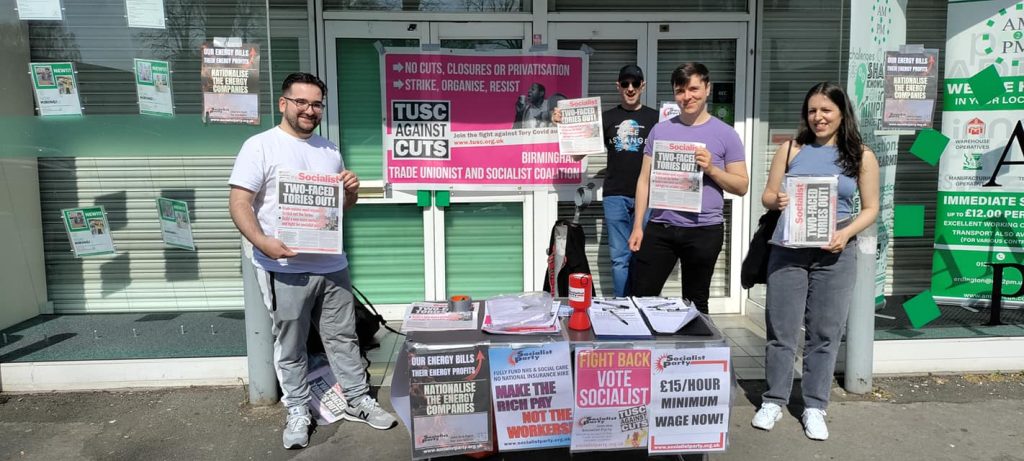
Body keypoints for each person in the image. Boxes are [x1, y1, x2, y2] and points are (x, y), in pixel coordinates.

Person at [228, 72, 397, 450]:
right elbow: (239, 204)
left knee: (343, 336)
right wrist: (262, 242)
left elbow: (340, 209)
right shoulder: (260, 147)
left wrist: (349, 192)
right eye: (301, 102)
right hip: (283, 266)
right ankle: (299, 410)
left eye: (316, 103)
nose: (309, 110)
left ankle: (357, 399)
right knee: (290, 342)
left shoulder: (328, 151)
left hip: (331, 264)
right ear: (283, 103)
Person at [750, 82, 879, 441]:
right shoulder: (791, 149)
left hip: (836, 249)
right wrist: (776, 201)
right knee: (781, 329)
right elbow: (767, 195)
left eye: (826, 110)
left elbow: (871, 209)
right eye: (812, 111)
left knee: (825, 332)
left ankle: (814, 406)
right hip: (788, 246)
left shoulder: (861, 155)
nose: (818, 117)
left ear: (841, 113)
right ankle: (774, 399)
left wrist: (846, 232)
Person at [627, 62, 748, 314]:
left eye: (693, 89)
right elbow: (643, 180)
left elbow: (742, 186)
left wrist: (712, 169)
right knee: (641, 297)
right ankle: (646, 350)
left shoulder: (726, 134)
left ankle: (694, 353)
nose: (687, 97)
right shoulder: (660, 130)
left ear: (707, 89)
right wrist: (638, 225)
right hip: (661, 227)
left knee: (696, 303)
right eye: (680, 91)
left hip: (704, 230)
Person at [600, 65, 659, 297]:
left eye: (635, 83)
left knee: (641, 254)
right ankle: (622, 305)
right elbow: (578, 151)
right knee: (619, 258)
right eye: (625, 84)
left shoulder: (656, 118)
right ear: (618, 86)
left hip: (647, 195)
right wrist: (563, 124)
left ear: (643, 86)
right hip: (615, 194)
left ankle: (640, 303)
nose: (630, 88)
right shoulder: (607, 118)